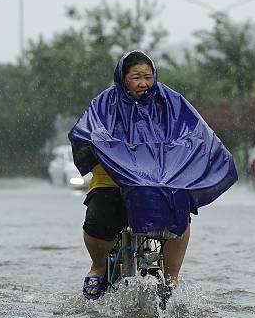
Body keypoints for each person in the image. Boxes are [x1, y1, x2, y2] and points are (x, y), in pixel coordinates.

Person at [69, 50, 237, 301]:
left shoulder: (170, 102)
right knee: (98, 219)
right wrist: (112, 150)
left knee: (180, 209)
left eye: (148, 76)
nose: (143, 83)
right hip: (113, 181)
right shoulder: (105, 103)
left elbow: (194, 133)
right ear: (122, 78)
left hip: (161, 180)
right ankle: (98, 268)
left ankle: (170, 280)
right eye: (136, 76)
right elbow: (89, 130)